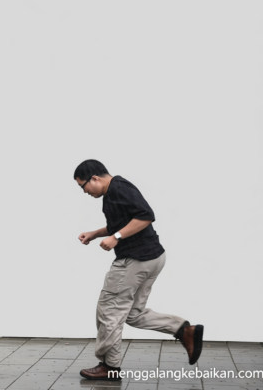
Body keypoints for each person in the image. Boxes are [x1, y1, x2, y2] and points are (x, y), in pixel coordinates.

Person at [74, 160, 204, 380]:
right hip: (152, 257)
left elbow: (145, 215)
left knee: (109, 311)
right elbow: (122, 222)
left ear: (94, 178)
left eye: (83, 186)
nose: (84, 191)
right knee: (133, 313)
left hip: (135, 259)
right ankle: (183, 330)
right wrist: (95, 234)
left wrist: (116, 237)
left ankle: (109, 367)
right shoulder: (114, 191)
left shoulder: (118, 187)